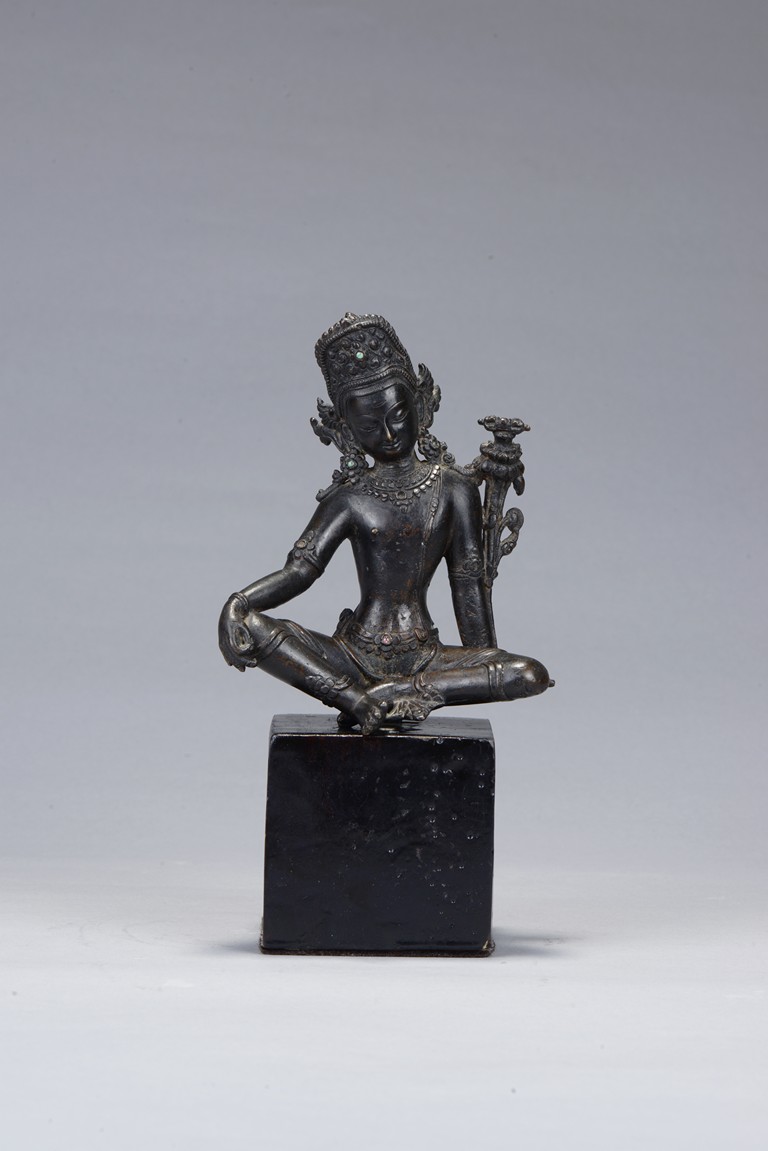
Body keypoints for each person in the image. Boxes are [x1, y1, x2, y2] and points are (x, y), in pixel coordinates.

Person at [218, 312, 552, 734]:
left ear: (420, 406)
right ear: (347, 431)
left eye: (398, 415)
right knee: (252, 627)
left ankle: (392, 692)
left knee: (527, 673)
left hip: (425, 657)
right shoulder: (349, 497)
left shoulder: (454, 489)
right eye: (370, 426)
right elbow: (299, 571)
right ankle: (358, 699)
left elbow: (468, 593)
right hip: (351, 655)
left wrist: (483, 661)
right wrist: (240, 602)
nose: (390, 434)